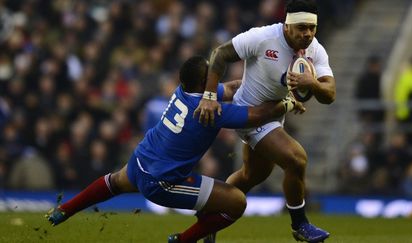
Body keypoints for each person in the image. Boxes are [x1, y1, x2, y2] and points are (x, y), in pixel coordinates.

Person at [45, 56, 305, 243]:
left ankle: (64, 210)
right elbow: (258, 116)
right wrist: (288, 103)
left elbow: (233, 88)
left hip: (141, 159)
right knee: (236, 203)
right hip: (162, 181)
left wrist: (256, 84)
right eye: (211, 74)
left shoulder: (184, 91)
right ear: (205, 82)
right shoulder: (210, 111)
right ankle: (183, 240)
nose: (216, 76)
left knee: (113, 182)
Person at [194, 0, 335, 242]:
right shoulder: (263, 38)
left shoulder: (315, 49)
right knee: (296, 158)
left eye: (312, 28)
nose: (307, 34)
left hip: (273, 115)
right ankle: (300, 225)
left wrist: (312, 84)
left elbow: (329, 94)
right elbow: (220, 54)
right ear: (287, 25)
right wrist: (208, 96)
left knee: (253, 175)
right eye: (301, 28)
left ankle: (210, 213)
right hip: (248, 112)